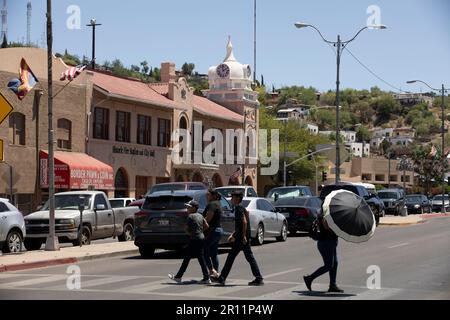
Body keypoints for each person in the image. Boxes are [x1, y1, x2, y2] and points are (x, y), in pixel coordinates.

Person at [213, 190, 264, 286]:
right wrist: (234, 234)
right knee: (248, 258)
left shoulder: (239, 208)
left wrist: (243, 236)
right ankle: (258, 278)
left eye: (232, 197)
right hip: (242, 237)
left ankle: (222, 278)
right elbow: (241, 224)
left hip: (241, 239)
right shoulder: (240, 208)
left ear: (237, 199)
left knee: (231, 257)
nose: (231, 199)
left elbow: (244, 222)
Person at [168, 200, 211, 284]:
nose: (187, 208)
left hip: (194, 239)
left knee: (187, 258)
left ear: (194, 208)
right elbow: (207, 226)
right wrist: (200, 232)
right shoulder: (200, 215)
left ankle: (178, 277)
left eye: (189, 207)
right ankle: (206, 277)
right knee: (200, 258)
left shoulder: (190, 216)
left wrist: (191, 234)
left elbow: (186, 229)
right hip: (201, 238)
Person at [303, 214, 343, 293]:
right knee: (329, 265)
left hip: (330, 242)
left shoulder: (331, 212)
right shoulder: (325, 213)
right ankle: (309, 278)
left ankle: (332, 285)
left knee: (335, 263)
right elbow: (326, 226)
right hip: (325, 242)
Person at [203, 189, 223, 278]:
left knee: (204, 252)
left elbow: (208, 218)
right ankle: (215, 273)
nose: (206, 196)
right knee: (214, 253)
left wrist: (201, 228)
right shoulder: (218, 203)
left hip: (212, 231)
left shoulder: (212, 204)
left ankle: (212, 271)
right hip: (218, 230)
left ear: (213, 196)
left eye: (208, 195)